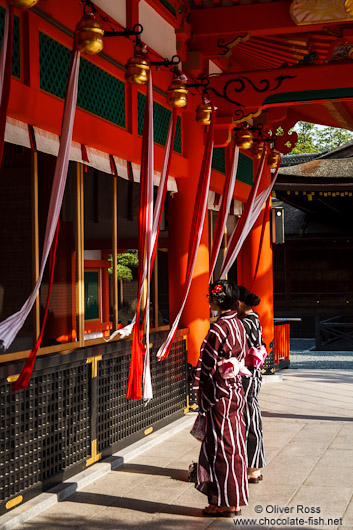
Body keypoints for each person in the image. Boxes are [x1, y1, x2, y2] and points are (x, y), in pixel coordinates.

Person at [193, 280, 249, 517]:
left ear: (218, 300)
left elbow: (207, 366)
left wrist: (199, 390)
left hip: (220, 392)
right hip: (235, 389)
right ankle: (227, 499)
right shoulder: (238, 324)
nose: (209, 302)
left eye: (211, 298)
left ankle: (227, 502)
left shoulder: (218, 329)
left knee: (221, 448)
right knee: (234, 445)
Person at [237, 285, 266, 484]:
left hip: (246, 375)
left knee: (249, 418)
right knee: (252, 417)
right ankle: (254, 466)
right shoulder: (254, 319)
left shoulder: (244, 324)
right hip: (253, 373)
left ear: (239, 303)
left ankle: (252, 468)